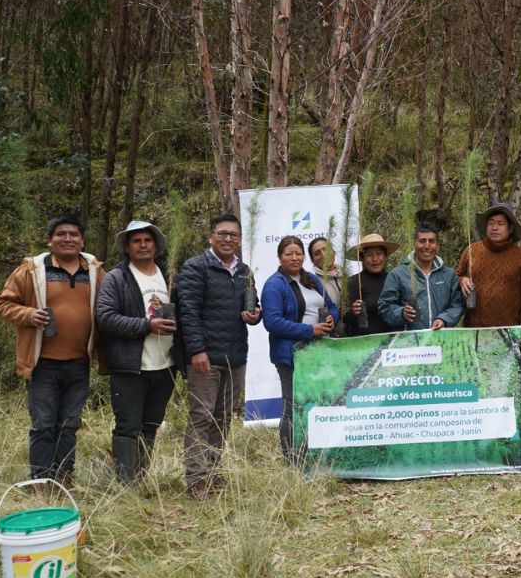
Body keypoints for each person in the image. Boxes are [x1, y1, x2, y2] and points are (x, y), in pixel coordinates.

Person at [0, 214, 106, 485]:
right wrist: (28, 314)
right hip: (42, 363)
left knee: (69, 424)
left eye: (74, 234)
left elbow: (109, 307)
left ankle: (64, 477)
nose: (68, 239)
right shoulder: (32, 270)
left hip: (79, 363)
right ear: (50, 240)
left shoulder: (95, 272)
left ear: (82, 240)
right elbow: (4, 304)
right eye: (61, 234)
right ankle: (40, 481)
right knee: (44, 424)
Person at [175, 213, 262, 500]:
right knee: (201, 416)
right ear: (211, 236)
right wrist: (197, 351)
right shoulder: (195, 267)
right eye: (222, 234)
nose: (228, 239)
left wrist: (255, 315)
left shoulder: (245, 271)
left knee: (223, 417)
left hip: (235, 356)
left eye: (233, 235)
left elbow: (254, 305)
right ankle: (196, 480)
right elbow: (187, 313)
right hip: (205, 358)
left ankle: (213, 472)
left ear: (239, 240)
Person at [95, 220, 181, 483]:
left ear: (156, 245)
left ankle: (141, 479)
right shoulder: (116, 278)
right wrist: (147, 325)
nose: (143, 245)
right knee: (128, 426)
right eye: (137, 241)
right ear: (127, 247)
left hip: (166, 364)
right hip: (130, 366)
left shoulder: (170, 274)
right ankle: (126, 484)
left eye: (148, 240)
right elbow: (105, 317)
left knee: (151, 424)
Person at [262, 236, 339, 465]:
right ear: (279, 257)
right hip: (291, 354)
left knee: (317, 403)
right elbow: (272, 322)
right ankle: (292, 458)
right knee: (293, 406)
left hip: (318, 352)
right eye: (289, 254)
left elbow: (332, 307)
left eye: (298, 254)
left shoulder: (311, 279)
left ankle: (315, 454)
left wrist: (332, 319)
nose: (294, 258)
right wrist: (309, 330)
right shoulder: (275, 284)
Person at [456, 203, 521, 332]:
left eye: (500, 224)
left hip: (509, 332)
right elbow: (454, 279)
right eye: (491, 223)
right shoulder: (471, 251)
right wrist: (461, 280)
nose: (494, 228)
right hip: (473, 330)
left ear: (511, 228)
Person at [378, 223, 464, 331]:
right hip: (409, 339)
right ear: (414, 244)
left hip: (441, 337)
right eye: (422, 241)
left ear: (438, 246)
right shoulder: (397, 274)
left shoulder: (449, 275)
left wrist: (443, 319)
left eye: (431, 241)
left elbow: (457, 304)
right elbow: (385, 307)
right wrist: (401, 313)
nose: (427, 246)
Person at [344, 233, 400, 336]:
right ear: (362, 258)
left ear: (385, 256)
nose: (375, 259)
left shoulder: (393, 279)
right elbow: (344, 317)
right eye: (369, 255)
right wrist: (353, 312)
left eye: (379, 253)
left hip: (394, 340)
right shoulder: (354, 282)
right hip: (363, 341)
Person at [308, 236, 342, 308]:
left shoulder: (346, 273)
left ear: (334, 252)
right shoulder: (311, 281)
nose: (323, 255)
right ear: (312, 260)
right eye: (317, 253)